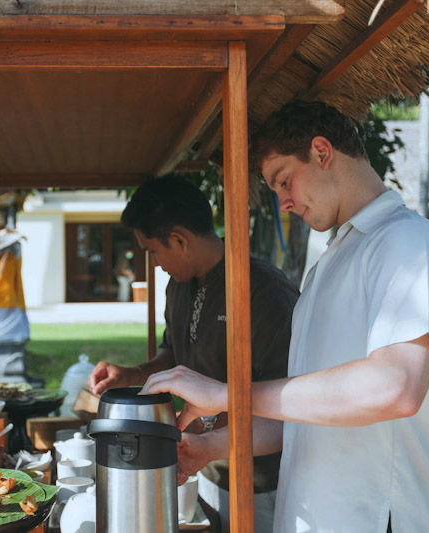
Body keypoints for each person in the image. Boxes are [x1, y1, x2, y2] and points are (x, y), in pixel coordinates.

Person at [142, 101, 429, 532]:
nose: (285, 202)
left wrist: (230, 393)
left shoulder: (406, 241)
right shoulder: (329, 263)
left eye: (284, 181)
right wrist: (212, 446)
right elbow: (303, 412)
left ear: (322, 151)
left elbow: (396, 387)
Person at [88, 175, 298, 532]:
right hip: (200, 464)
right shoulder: (178, 286)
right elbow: (173, 353)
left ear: (179, 239)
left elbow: (288, 402)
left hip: (260, 480)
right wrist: (134, 374)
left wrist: (211, 444)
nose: (153, 263)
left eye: (153, 250)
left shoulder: (264, 293)